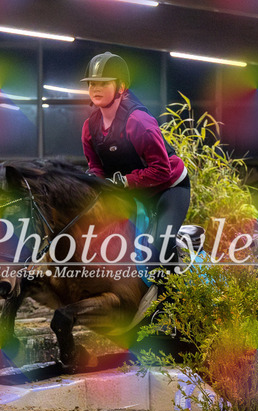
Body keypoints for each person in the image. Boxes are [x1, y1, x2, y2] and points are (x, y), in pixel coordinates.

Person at [80, 51, 191, 276]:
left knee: (159, 246)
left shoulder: (139, 122)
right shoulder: (89, 128)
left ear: (121, 87)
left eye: (103, 83)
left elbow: (162, 171)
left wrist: (125, 181)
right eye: (92, 83)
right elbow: (97, 168)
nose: (95, 88)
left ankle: (173, 285)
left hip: (168, 188)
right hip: (133, 191)